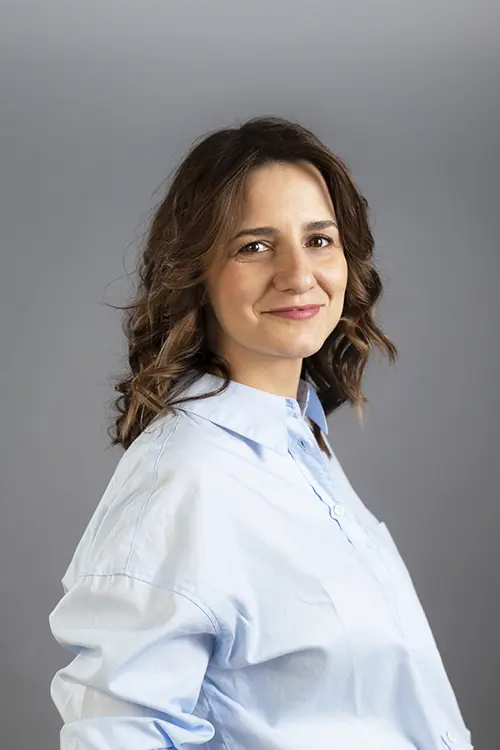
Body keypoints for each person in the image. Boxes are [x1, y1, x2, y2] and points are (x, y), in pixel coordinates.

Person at [48, 116, 473, 750]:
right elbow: (117, 732)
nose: (299, 274)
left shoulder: (297, 443)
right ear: (196, 272)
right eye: (255, 246)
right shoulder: (184, 477)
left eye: (319, 239)